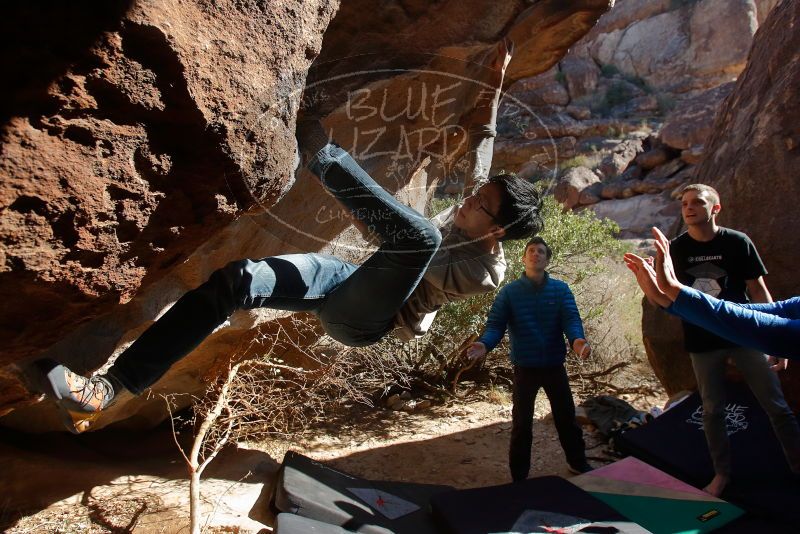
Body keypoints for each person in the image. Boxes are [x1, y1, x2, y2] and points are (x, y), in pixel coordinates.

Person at [36, 41, 547, 433]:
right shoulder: (478, 209)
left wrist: (382, 219)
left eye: (479, 203)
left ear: (497, 230)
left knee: (418, 237)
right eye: (475, 192)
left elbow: (410, 260)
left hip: (367, 317)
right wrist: (493, 82)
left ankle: (319, 153)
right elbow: (482, 144)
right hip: (348, 278)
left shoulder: (485, 274)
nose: (467, 199)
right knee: (238, 280)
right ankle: (107, 389)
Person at [624, 183, 800, 496]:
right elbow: (666, 296)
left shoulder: (737, 242)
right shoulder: (676, 249)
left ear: (715, 208)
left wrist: (773, 339)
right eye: (685, 204)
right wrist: (655, 292)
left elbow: (760, 293)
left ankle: (797, 468)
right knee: (711, 410)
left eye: (697, 202)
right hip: (702, 340)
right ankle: (722, 475)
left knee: (776, 405)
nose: (689, 208)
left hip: (745, 335)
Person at [466, 237, 592, 481]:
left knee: (566, 418)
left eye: (541, 251)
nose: (535, 254)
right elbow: (495, 326)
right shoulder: (510, 293)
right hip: (525, 367)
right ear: (523, 258)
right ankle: (519, 476)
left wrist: (578, 341)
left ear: (547, 259)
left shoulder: (560, 289)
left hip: (555, 366)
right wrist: (484, 344)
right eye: (531, 251)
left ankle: (578, 463)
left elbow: (571, 320)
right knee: (522, 424)